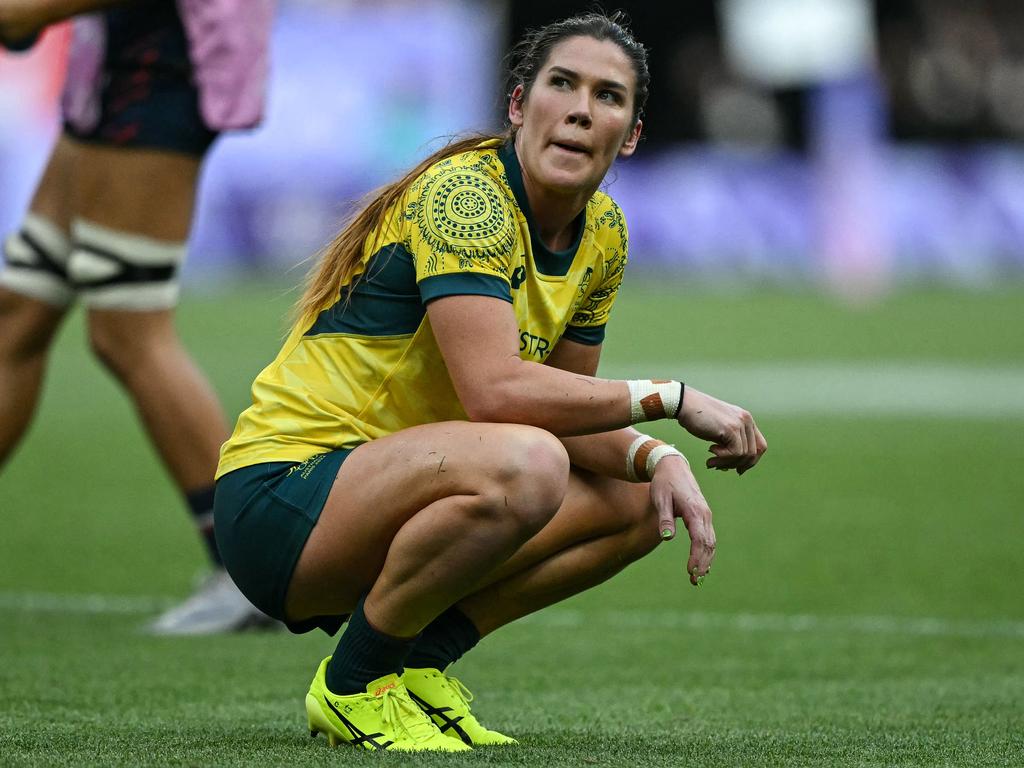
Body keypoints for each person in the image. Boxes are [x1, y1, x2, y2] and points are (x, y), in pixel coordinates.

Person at [214, 10, 767, 753]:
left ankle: (415, 667)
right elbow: (498, 396)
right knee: (527, 462)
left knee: (638, 502)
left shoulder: (604, 233)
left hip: (405, 487)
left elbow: (567, 412)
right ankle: (352, 685)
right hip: (285, 495)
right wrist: (672, 401)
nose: (579, 108)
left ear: (630, 134)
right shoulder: (465, 198)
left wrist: (656, 457)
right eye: (561, 84)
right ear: (517, 105)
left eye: (608, 97)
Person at [0, 0, 277, 634]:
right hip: (115, 63)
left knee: (128, 331)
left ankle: (249, 569)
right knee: (19, 310)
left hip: (158, 66)